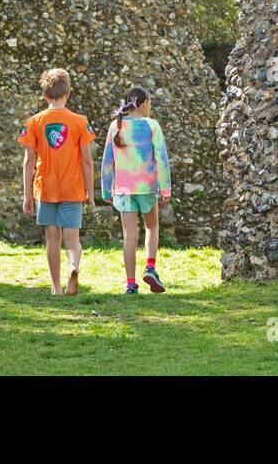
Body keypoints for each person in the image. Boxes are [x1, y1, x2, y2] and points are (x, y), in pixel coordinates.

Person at [18, 68, 96, 295]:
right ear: (68, 93)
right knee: (72, 239)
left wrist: (27, 195)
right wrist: (89, 192)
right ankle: (74, 265)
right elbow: (88, 162)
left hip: (45, 188)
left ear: (44, 96)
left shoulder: (34, 122)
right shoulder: (80, 122)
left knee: (52, 238)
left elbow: (28, 161)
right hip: (73, 188)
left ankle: (56, 287)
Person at [101, 86, 171, 294]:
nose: (150, 107)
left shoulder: (116, 126)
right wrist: (165, 189)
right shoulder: (151, 125)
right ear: (142, 104)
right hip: (147, 188)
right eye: (150, 103)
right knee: (152, 227)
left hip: (123, 190)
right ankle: (150, 267)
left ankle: (130, 284)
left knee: (129, 235)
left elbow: (107, 161)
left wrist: (106, 190)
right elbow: (162, 159)